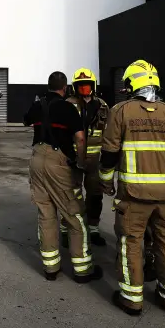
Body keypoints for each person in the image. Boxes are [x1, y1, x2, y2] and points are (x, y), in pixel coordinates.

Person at [99, 59, 165, 316]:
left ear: (131, 83)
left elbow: (108, 153)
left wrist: (106, 182)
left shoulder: (120, 112)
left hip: (134, 196)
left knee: (131, 242)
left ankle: (132, 299)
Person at [24, 71, 103, 283]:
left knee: (46, 214)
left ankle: (51, 268)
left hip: (36, 159)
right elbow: (79, 138)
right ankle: (82, 270)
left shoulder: (38, 104)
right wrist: (81, 162)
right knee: (74, 216)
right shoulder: (68, 107)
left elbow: (26, 120)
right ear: (65, 87)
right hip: (58, 163)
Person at [65, 68, 110, 247]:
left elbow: (109, 133)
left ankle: (93, 229)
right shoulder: (68, 104)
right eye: (80, 85)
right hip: (73, 159)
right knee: (71, 195)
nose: (84, 88)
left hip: (95, 160)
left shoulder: (103, 106)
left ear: (93, 86)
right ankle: (67, 229)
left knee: (95, 196)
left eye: (87, 85)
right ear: (75, 87)